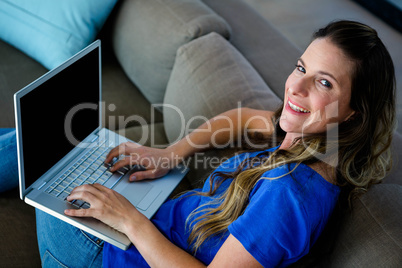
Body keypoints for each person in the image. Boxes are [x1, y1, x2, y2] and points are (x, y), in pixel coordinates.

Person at [2, 20, 396, 267]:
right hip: (138, 232)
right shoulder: (307, 139)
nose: (296, 86)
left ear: (352, 113)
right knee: (50, 143)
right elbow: (243, 119)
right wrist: (169, 153)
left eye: (324, 83)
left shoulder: (289, 195)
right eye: (301, 67)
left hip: (103, 256)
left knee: (46, 147)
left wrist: (127, 219)